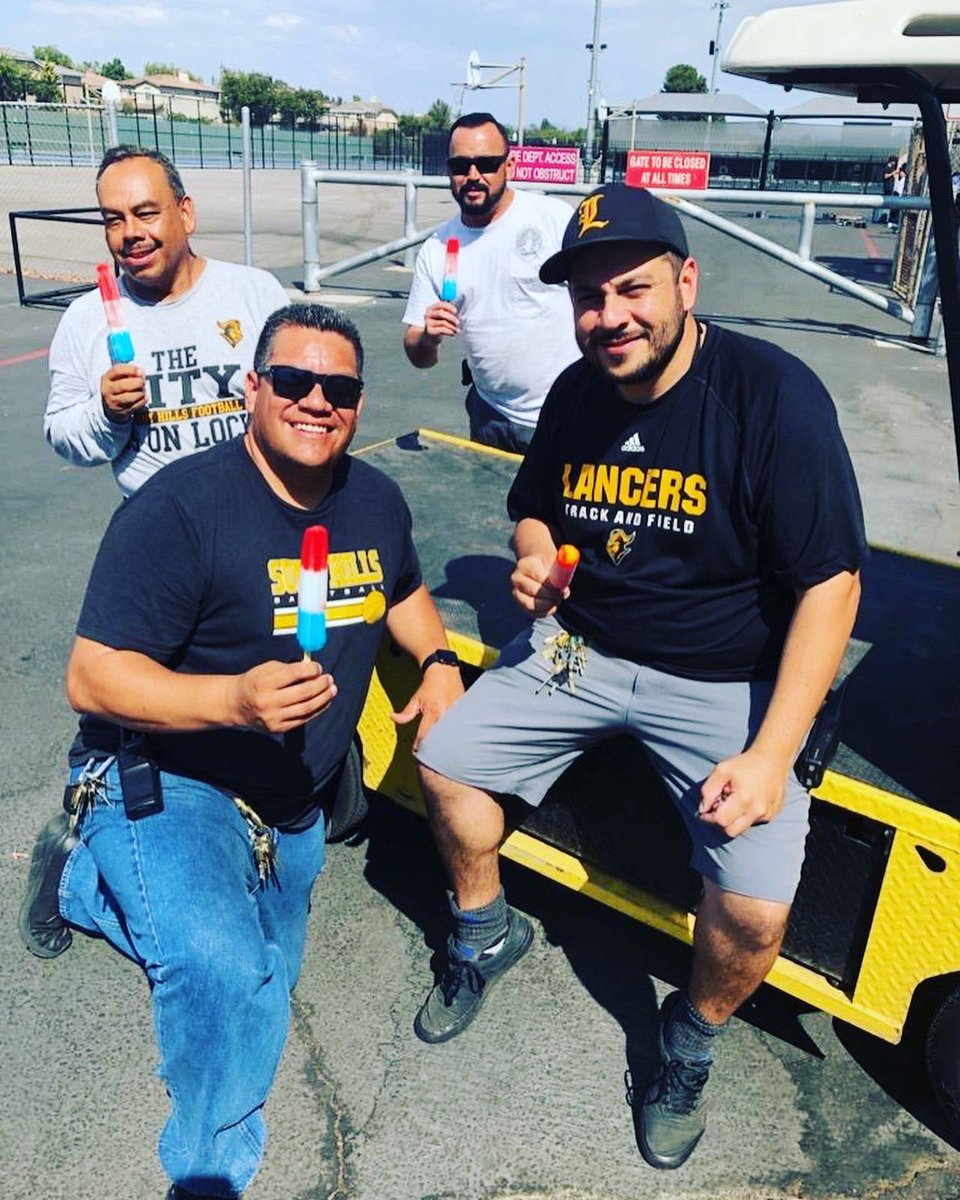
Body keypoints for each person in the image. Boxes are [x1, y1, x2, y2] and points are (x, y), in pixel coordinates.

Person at [411, 186, 867, 1170]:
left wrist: (771, 753)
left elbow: (833, 586)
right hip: (584, 649)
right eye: (587, 296)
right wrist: (536, 557)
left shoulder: (771, 396)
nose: (609, 315)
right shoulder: (579, 392)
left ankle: (689, 1043)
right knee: (444, 762)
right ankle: (484, 930)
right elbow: (533, 509)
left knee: (753, 906)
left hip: (722, 677)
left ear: (686, 283)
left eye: (632, 288)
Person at [19, 304, 464, 1200]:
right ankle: (209, 1171)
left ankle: (75, 883)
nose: (315, 402)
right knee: (226, 975)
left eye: (337, 389)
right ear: (252, 388)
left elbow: (404, 586)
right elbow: (92, 678)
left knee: (269, 975)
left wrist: (440, 656)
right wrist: (228, 699)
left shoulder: (373, 499)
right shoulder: (180, 508)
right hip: (168, 774)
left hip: (292, 801)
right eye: (292, 382)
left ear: (358, 402)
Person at [44, 145, 289, 496]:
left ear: (185, 214)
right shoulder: (85, 317)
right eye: (114, 220)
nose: (130, 232)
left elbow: (297, 403)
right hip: (154, 525)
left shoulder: (256, 293)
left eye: (145, 213)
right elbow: (62, 432)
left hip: (253, 509)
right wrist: (108, 412)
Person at [402, 112, 580, 453]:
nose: (472, 176)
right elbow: (419, 355)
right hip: (489, 415)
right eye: (460, 166)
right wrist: (427, 335)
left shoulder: (553, 220)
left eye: (485, 163)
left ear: (508, 165)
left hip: (565, 414)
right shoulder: (438, 248)